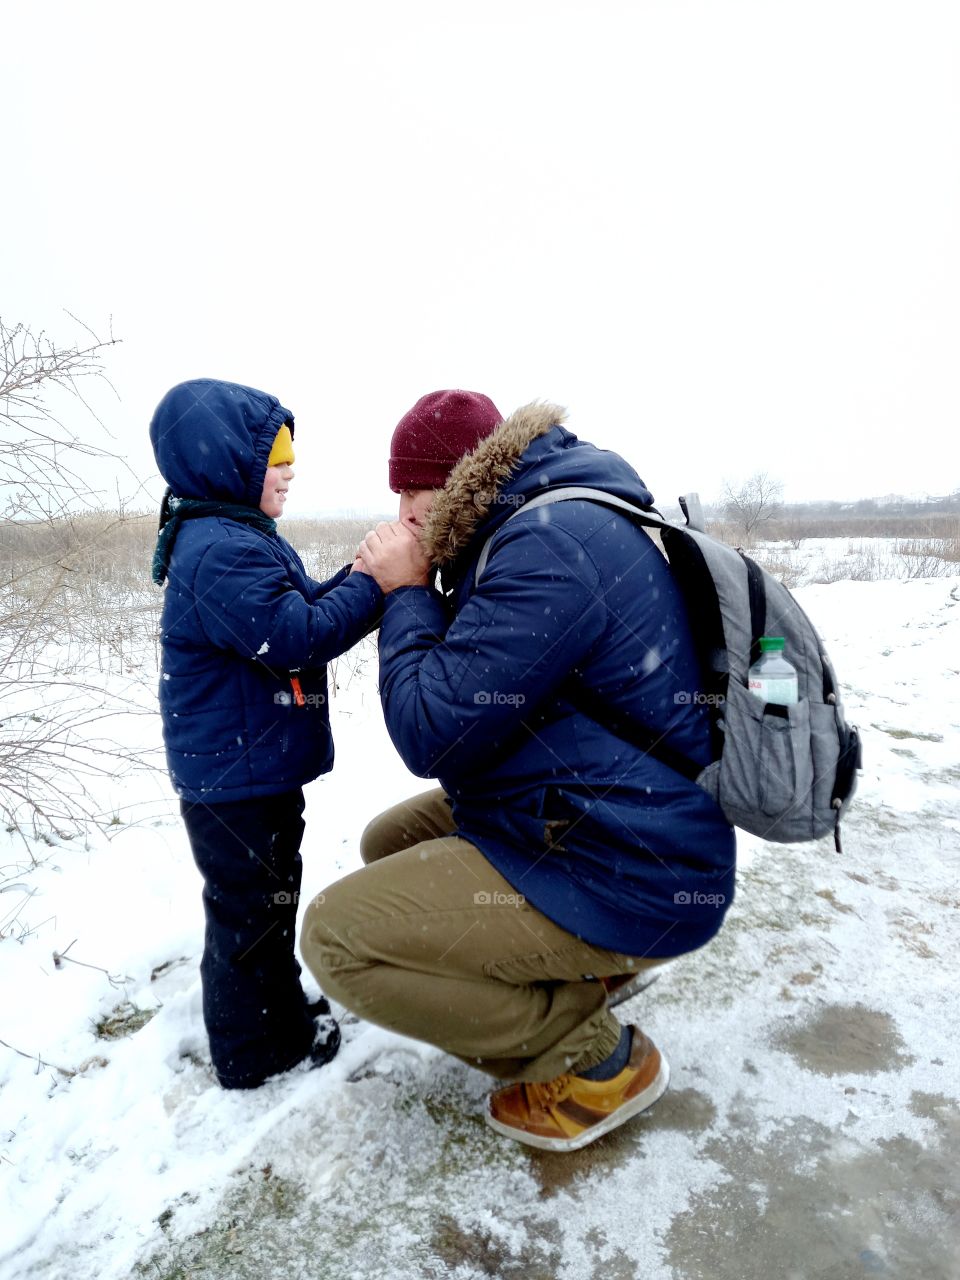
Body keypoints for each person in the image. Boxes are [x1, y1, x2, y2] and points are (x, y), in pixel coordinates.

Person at [300, 389, 736, 1151]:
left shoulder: (548, 547)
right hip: (615, 822)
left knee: (337, 938)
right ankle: (576, 975)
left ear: (463, 480)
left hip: (637, 865)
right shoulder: (538, 522)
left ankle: (590, 1058)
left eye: (415, 490)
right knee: (390, 840)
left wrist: (405, 593)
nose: (403, 510)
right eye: (396, 491)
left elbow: (430, 734)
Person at [150, 378, 382, 1089]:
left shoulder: (232, 536)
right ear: (222, 461)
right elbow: (295, 635)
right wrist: (377, 587)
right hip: (235, 782)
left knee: (267, 898)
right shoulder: (220, 549)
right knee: (248, 914)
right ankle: (254, 1052)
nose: (288, 467)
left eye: (289, 452)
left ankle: (274, 1005)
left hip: (247, 773)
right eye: (273, 453)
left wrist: (361, 574)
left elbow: (300, 604)